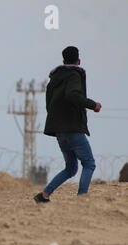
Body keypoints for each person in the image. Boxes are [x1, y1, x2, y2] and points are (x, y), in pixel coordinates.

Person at [34, 46, 101, 203]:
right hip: (72, 128)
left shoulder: (54, 79)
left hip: (59, 130)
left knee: (71, 168)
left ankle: (44, 195)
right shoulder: (74, 75)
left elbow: (49, 105)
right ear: (79, 61)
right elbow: (72, 95)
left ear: (63, 61)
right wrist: (93, 105)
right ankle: (82, 198)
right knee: (89, 164)